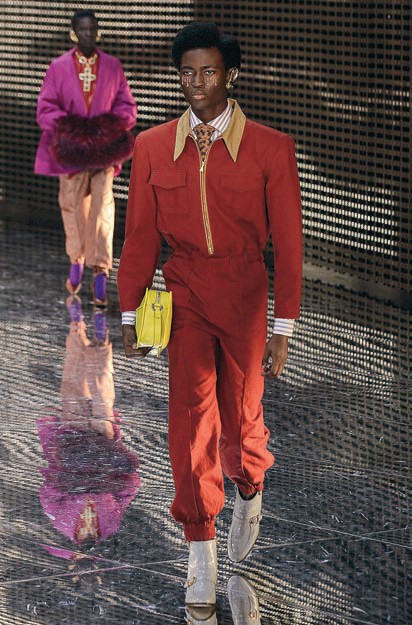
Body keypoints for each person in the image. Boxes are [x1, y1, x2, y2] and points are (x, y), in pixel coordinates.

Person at [118, 21, 302, 616]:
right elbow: (140, 235)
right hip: (187, 292)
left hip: (246, 294)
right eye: (188, 73)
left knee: (242, 418)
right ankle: (200, 552)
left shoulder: (271, 148)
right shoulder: (152, 146)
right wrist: (130, 309)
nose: (197, 83)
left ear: (230, 75)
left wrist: (283, 327)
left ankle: (249, 484)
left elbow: (290, 247)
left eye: (209, 71)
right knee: (190, 419)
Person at [35, 9, 137, 306]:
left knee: (102, 209)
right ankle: (76, 260)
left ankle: (101, 272)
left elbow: (127, 106)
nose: (88, 34)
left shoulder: (113, 66)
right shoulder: (58, 67)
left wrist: (105, 130)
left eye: (92, 28)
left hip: (103, 153)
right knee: (72, 206)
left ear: (98, 31)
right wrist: (73, 132)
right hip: (72, 154)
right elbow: (46, 108)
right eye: (82, 29)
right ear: (73, 32)